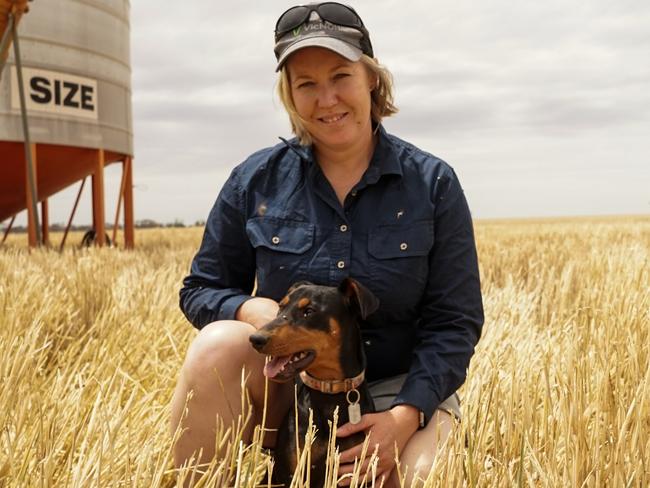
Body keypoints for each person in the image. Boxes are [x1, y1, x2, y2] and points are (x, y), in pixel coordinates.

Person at [170, 2, 483, 486]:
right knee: (216, 346)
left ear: (372, 79)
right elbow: (200, 288)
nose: (327, 99)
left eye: (340, 76)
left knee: (425, 476)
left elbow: (455, 323)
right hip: (289, 387)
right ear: (289, 95)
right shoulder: (254, 180)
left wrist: (405, 416)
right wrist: (251, 309)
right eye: (306, 84)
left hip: (400, 387)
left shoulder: (433, 183)